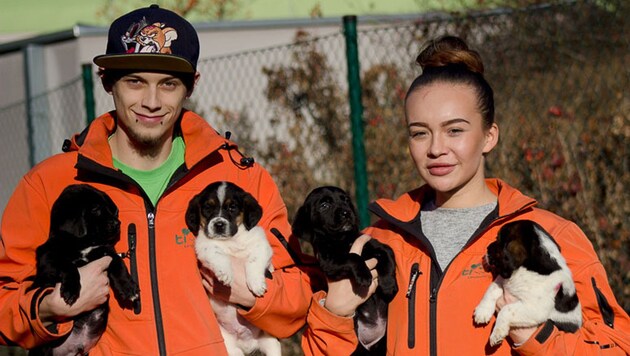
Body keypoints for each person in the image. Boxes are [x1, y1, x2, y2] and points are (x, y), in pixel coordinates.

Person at [0, 5, 315, 354]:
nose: (151, 101)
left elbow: (300, 297)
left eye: (168, 84)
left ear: (191, 86)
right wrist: (48, 308)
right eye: (135, 81)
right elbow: (5, 299)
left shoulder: (240, 178)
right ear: (106, 80)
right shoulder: (50, 183)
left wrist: (254, 295)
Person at [301, 35, 630, 355]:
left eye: (454, 130)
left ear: (489, 136)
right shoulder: (380, 243)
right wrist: (335, 314)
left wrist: (536, 337)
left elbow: (617, 347)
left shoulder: (549, 237)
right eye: (419, 133)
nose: (435, 149)